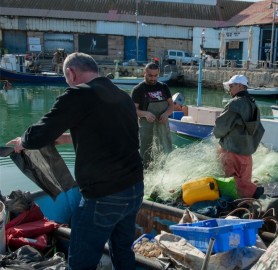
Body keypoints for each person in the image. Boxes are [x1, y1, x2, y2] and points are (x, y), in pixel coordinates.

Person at [6, 52, 144, 270]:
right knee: (123, 251)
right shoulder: (122, 96)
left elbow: (40, 133)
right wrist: (69, 138)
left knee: (80, 261)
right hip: (134, 189)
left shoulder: (78, 94)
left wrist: (22, 142)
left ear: (71, 73)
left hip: (103, 195)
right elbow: (120, 133)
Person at [213, 75, 265, 199]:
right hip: (247, 151)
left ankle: (254, 192)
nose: (229, 89)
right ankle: (247, 202)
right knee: (245, 179)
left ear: (240, 86)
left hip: (232, 149)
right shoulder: (253, 104)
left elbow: (221, 127)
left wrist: (217, 135)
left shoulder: (234, 104)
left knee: (230, 180)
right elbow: (259, 128)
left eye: (231, 86)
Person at [131, 62, 174, 168]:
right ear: (144, 73)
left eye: (155, 75)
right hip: (146, 128)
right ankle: (146, 173)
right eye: (150, 75)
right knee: (146, 153)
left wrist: (166, 114)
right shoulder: (138, 89)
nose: (153, 78)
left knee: (166, 149)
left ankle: (165, 170)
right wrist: (145, 113)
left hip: (163, 126)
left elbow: (171, 106)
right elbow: (133, 110)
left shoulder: (164, 87)